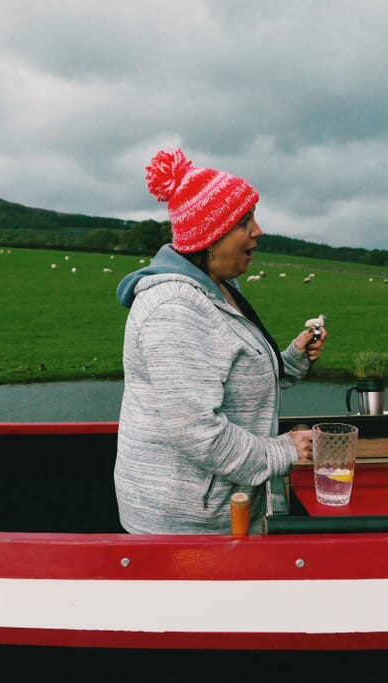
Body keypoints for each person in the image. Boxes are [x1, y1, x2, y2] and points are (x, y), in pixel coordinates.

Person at [114, 148, 328, 534]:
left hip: (221, 507)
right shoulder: (175, 309)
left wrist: (293, 359)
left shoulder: (218, 288)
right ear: (211, 238)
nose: (258, 231)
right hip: (184, 523)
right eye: (245, 221)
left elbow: (233, 377)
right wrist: (284, 450)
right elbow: (198, 432)